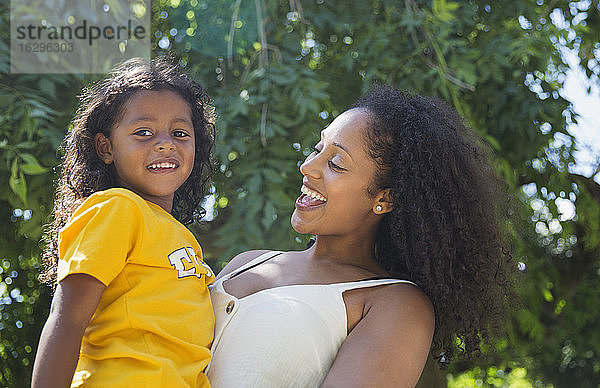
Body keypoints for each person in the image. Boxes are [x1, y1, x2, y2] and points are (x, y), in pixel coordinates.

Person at [206, 85, 514, 387]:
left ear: (385, 199)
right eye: (317, 149)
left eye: (336, 164)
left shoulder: (395, 304)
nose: (307, 167)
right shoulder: (247, 262)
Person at [32, 57, 216, 387]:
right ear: (106, 148)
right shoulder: (117, 208)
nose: (165, 143)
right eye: (143, 132)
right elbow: (68, 318)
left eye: (179, 133)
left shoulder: (183, 239)